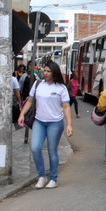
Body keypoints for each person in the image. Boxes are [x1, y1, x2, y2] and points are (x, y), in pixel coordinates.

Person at [18, 60, 73, 189]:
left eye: (49, 71)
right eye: (45, 71)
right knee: (35, 148)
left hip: (55, 123)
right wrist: (21, 114)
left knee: (52, 151)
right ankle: (42, 176)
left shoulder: (61, 87)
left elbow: (66, 107)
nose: (46, 73)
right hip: (39, 121)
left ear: (55, 73)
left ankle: (53, 178)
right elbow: (30, 101)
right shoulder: (38, 84)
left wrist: (69, 124)